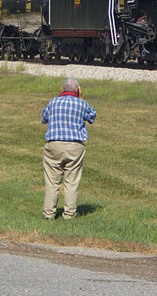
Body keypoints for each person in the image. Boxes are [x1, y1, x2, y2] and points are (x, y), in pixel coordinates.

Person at [41, 78, 96, 220]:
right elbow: (91, 117)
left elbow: (44, 118)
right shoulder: (82, 104)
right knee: (71, 181)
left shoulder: (53, 102)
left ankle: (48, 214)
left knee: (52, 182)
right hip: (74, 146)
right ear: (77, 89)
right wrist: (81, 98)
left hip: (54, 144)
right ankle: (69, 214)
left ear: (62, 88)